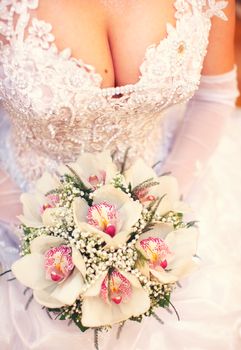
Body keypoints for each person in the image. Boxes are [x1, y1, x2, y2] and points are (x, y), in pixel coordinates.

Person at [0, 0, 240, 349]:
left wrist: (164, 208)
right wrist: (24, 225)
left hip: (173, 189)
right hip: (19, 209)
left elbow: (215, 95)